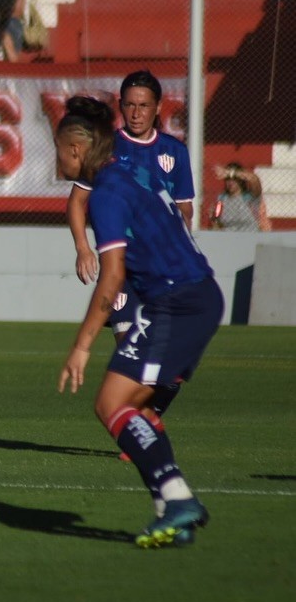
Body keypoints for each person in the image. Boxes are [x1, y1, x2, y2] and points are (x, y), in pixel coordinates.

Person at [54, 95, 223, 548]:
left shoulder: (106, 194)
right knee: (137, 407)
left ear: (74, 150)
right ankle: (175, 506)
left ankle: (177, 501)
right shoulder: (129, 176)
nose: (57, 161)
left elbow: (111, 278)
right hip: (193, 299)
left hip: (178, 303)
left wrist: (82, 345)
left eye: (58, 151)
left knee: (112, 403)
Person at [64, 71, 194, 453]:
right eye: (130, 105)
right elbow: (76, 201)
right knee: (133, 357)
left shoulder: (174, 153)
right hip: (122, 273)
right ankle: (137, 436)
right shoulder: (105, 149)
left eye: (144, 106)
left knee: (170, 374)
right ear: (120, 107)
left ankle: (147, 417)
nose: (136, 113)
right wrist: (83, 248)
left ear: (158, 109)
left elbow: (185, 210)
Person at [211, 162, 269, 231]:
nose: (230, 182)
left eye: (234, 179)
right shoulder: (222, 198)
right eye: (227, 179)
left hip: (249, 235)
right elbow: (217, 222)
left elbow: (254, 179)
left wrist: (230, 172)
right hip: (229, 236)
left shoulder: (250, 197)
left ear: (241, 180)